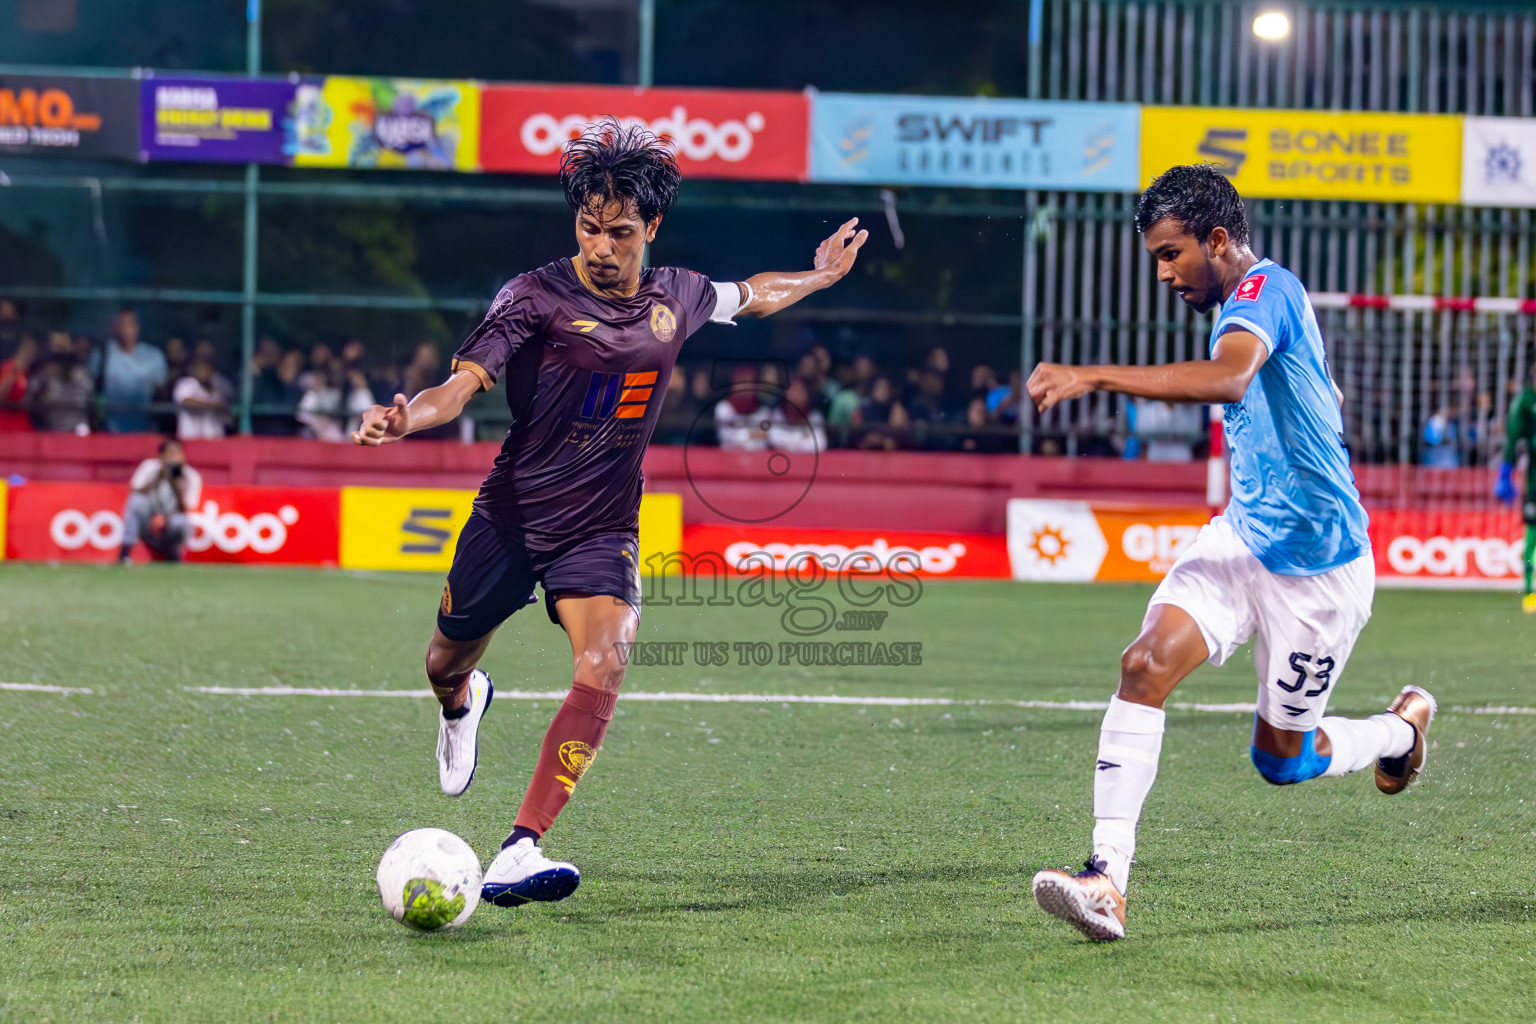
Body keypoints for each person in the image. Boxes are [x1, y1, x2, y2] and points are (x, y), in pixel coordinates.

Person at [351, 119, 867, 911]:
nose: (600, 245)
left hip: (601, 529)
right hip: (513, 518)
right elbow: (456, 390)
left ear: (651, 227)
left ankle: (521, 848)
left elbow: (750, 296)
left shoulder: (678, 296)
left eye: (619, 231)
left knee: (609, 659)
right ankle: (463, 703)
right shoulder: (532, 298)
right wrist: (405, 420)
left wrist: (818, 278)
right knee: (441, 663)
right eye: (588, 228)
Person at [1023, 163, 1435, 943]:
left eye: (1172, 253)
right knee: (1143, 666)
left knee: (1282, 761)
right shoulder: (1243, 307)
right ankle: (1106, 877)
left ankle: (1399, 733)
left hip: (1320, 576)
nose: (1165, 272)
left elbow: (1231, 379)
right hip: (1243, 540)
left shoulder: (1265, 290)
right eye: (1156, 257)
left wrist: (1093, 374)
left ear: (1218, 239)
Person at [1495, 362, 1536, 613]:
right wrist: (1505, 473)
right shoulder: (1525, 402)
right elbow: (1512, 438)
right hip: (1534, 482)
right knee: (1532, 533)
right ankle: (1530, 590)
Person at [120, 438, 202, 564]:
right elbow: (135, 491)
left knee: (182, 523)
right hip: (148, 521)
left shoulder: (190, 476)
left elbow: (188, 509)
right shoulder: (150, 467)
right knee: (135, 501)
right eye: (169, 453)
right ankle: (125, 552)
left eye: (177, 454)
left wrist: (176, 482)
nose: (173, 458)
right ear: (160, 456)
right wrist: (160, 476)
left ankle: (174, 554)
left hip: (171, 523)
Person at [99, 309, 167, 433]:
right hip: (110, 429)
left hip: (147, 429)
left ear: (138, 327)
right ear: (115, 328)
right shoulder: (102, 354)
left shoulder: (154, 355)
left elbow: (161, 391)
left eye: (130, 324)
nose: (126, 329)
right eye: (122, 324)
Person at [27, 332, 94, 434]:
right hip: (48, 432)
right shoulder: (42, 374)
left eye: (62, 348)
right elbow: (29, 400)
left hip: (79, 430)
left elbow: (89, 400)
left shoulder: (81, 373)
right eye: (55, 348)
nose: (58, 353)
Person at [173, 359, 230, 440]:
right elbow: (186, 401)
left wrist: (219, 407)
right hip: (190, 437)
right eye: (200, 369)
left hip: (213, 437)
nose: (203, 372)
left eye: (207, 370)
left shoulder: (216, 388)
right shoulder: (187, 383)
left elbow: (222, 407)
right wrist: (211, 406)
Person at [0, 333, 37, 432]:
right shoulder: (9, 367)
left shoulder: (33, 371)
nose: (31, 353)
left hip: (24, 421)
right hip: (6, 420)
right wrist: (15, 370)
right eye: (28, 349)